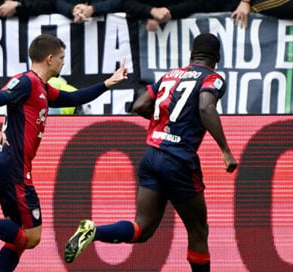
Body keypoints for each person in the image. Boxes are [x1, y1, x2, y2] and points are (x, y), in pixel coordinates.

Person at [0, 34, 128, 272]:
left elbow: (74, 97)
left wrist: (108, 83)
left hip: (7, 166)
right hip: (12, 168)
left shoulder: (41, 88)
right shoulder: (26, 82)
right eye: (61, 58)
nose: (62, 63)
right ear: (49, 59)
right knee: (32, 237)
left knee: (17, 236)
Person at [64, 33, 238, 272]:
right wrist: (225, 150)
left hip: (152, 156)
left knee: (142, 228)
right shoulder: (213, 78)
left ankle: (93, 231)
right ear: (217, 57)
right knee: (198, 230)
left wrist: (163, 123)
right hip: (179, 160)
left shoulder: (170, 75)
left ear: (191, 54)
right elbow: (206, 106)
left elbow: (140, 105)